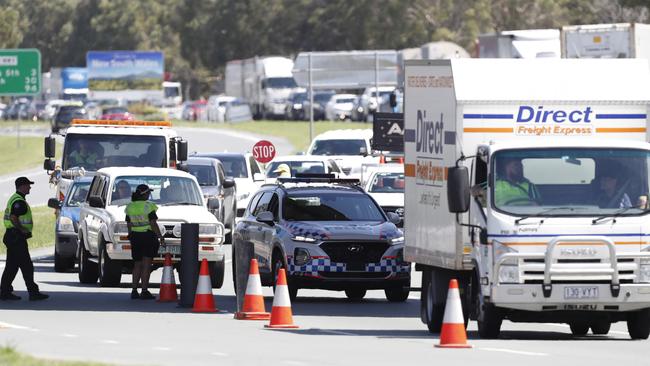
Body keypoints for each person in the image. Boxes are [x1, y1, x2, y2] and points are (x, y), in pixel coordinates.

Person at [0, 177, 48, 301]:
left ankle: (5, 292)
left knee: (12, 266)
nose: (30, 187)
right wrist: (22, 229)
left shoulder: (15, 198)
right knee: (27, 266)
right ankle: (33, 292)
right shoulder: (19, 202)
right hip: (16, 238)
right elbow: (13, 217)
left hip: (12, 236)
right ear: (21, 186)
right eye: (28, 185)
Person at [125, 184, 165, 300]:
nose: (149, 195)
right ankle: (144, 290)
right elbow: (153, 224)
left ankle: (134, 290)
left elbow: (129, 224)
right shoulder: (149, 206)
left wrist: (130, 234)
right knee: (146, 264)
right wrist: (160, 237)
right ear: (144, 194)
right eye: (148, 193)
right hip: (148, 236)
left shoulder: (130, 207)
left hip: (135, 237)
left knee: (137, 264)